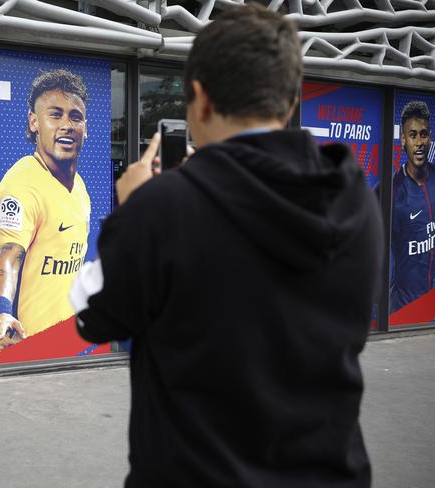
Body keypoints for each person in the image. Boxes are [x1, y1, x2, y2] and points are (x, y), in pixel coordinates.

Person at [70, 6, 383, 488]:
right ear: (290, 97)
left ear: (199, 98)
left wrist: (130, 209)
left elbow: (92, 315)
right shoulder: (354, 196)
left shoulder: (162, 209)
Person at [0, 69, 91, 363]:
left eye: (75, 117)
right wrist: (3, 310)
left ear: (85, 127)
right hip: (4, 350)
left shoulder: (80, 189)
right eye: (55, 115)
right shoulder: (21, 186)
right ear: (34, 123)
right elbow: (8, 256)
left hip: (53, 346)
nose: (67, 125)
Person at [390, 101, 434, 312]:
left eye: (424, 134)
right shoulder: (391, 192)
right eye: (413, 135)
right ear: (403, 140)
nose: (419, 142)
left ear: (430, 138)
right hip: (405, 311)